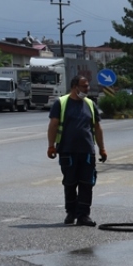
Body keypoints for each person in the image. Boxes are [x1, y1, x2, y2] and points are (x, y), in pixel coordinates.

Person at [47, 75, 107, 226]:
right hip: (67, 151)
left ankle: (83, 215)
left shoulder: (90, 104)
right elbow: (53, 125)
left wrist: (102, 149)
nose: (87, 89)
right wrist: (51, 145)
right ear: (75, 87)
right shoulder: (61, 103)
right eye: (84, 86)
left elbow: (97, 128)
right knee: (70, 183)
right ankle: (71, 213)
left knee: (87, 183)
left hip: (87, 151)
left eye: (87, 86)